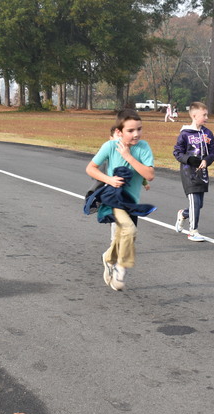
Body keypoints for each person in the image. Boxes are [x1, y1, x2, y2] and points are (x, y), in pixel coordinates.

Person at [85, 110, 154, 291]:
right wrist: (109, 180)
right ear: (119, 131)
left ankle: (108, 259)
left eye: (139, 129)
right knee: (128, 231)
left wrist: (129, 156)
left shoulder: (143, 147)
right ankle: (120, 272)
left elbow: (150, 174)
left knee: (127, 237)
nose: (136, 134)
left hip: (131, 201)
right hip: (113, 198)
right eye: (130, 130)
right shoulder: (109, 146)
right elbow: (91, 168)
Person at [173, 102, 214, 242]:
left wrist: (206, 160)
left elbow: (213, 152)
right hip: (188, 173)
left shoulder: (208, 133)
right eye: (204, 115)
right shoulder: (185, 134)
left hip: (202, 174)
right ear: (194, 115)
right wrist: (189, 159)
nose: (207, 117)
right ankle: (193, 231)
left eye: (206, 114)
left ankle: (183, 214)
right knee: (194, 203)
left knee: (199, 204)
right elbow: (177, 153)